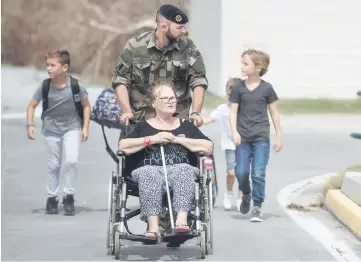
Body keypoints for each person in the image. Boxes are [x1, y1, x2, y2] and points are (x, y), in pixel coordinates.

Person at [118, 81, 213, 239]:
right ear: (154, 103)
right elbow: (123, 145)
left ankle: (181, 222)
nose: (171, 101)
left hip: (179, 169)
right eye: (165, 98)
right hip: (149, 168)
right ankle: (153, 227)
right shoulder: (143, 126)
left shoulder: (186, 126)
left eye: (173, 98)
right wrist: (152, 139)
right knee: (149, 173)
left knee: (184, 169)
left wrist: (178, 140)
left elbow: (208, 146)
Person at [111, 4, 208, 129]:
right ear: (164, 27)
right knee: (127, 148)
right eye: (180, 27)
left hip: (176, 122)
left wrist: (195, 112)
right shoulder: (135, 46)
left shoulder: (188, 47)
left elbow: (198, 80)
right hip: (140, 121)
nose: (184, 31)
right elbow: (121, 81)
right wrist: (126, 111)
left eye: (185, 27)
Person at [26, 50, 91, 216]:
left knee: (71, 161)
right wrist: (29, 125)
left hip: (72, 127)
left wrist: (85, 127)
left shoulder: (76, 86)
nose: (48, 68)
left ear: (64, 67)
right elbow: (32, 105)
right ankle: (52, 198)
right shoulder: (45, 86)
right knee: (54, 164)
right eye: (47, 65)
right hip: (51, 129)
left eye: (52, 65)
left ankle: (68, 196)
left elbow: (86, 106)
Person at [229, 49, 282, 222]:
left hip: (261, 138)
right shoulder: (238, 88)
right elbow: (233, 113)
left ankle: (257, 206)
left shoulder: (267, 88)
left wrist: (278, 136)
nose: (242, 67)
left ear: (258, 67)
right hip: (242, 138)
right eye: (242, 63)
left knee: (258, 173)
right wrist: (234, 131)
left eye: (246, 63)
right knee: (241, 172)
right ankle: (246, 193)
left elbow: (274, 113)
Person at [202, 78, 243, 211]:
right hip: (230, 145)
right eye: (228, 92)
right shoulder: (223, 109)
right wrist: (193, 122)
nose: (230, 96)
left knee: (243, 173)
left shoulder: (245, 108)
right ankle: (229, 192)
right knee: (231, 173)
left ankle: (240, 198)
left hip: (245, 145)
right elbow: (208, 119)